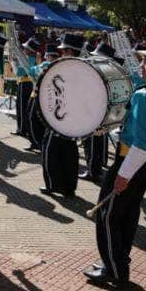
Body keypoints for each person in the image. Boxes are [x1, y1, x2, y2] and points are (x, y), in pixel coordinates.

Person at [85, 39, 146, 288]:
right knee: (127, 215)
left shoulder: (144, 95)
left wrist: (124, 174)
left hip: (130, 161)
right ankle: (117, 262)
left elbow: (140, 141)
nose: (142, 65)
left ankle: (115, 270)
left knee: (107, 216)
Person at [40, 34, 86, 197]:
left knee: (50, 149)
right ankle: (68, 187)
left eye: (65, 50)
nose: (62, 53)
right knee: (69, 152)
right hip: (72, 117)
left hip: (60, 116)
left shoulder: (67, 67)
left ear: (71, 51)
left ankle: (53, 185)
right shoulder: (83, 68)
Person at [79, 42, 118, 182]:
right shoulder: (108, 71)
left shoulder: (103, 72)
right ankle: (96, 168)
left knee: (92, 144)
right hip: (100, 113)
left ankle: (93, 171)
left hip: (96, 113)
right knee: (97, 142)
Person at [27, 44, 59, 151]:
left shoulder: (45, 65)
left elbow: (31, 71)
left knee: (33, 118)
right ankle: (38, 142)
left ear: (48, 55)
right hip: (48, 96)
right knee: (40, 120)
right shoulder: (59, 65)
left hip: (39, 95)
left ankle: (37, 142)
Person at [12, 37, 39, 138]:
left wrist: (14, 63)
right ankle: (21, 128)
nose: (24, 50)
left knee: (22, 108)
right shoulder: (31, 58)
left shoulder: (29, 59)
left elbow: (20, 72)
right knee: (21, 107)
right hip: (25, 83)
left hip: (25, 84)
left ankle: (22, 129)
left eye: (26, 48)